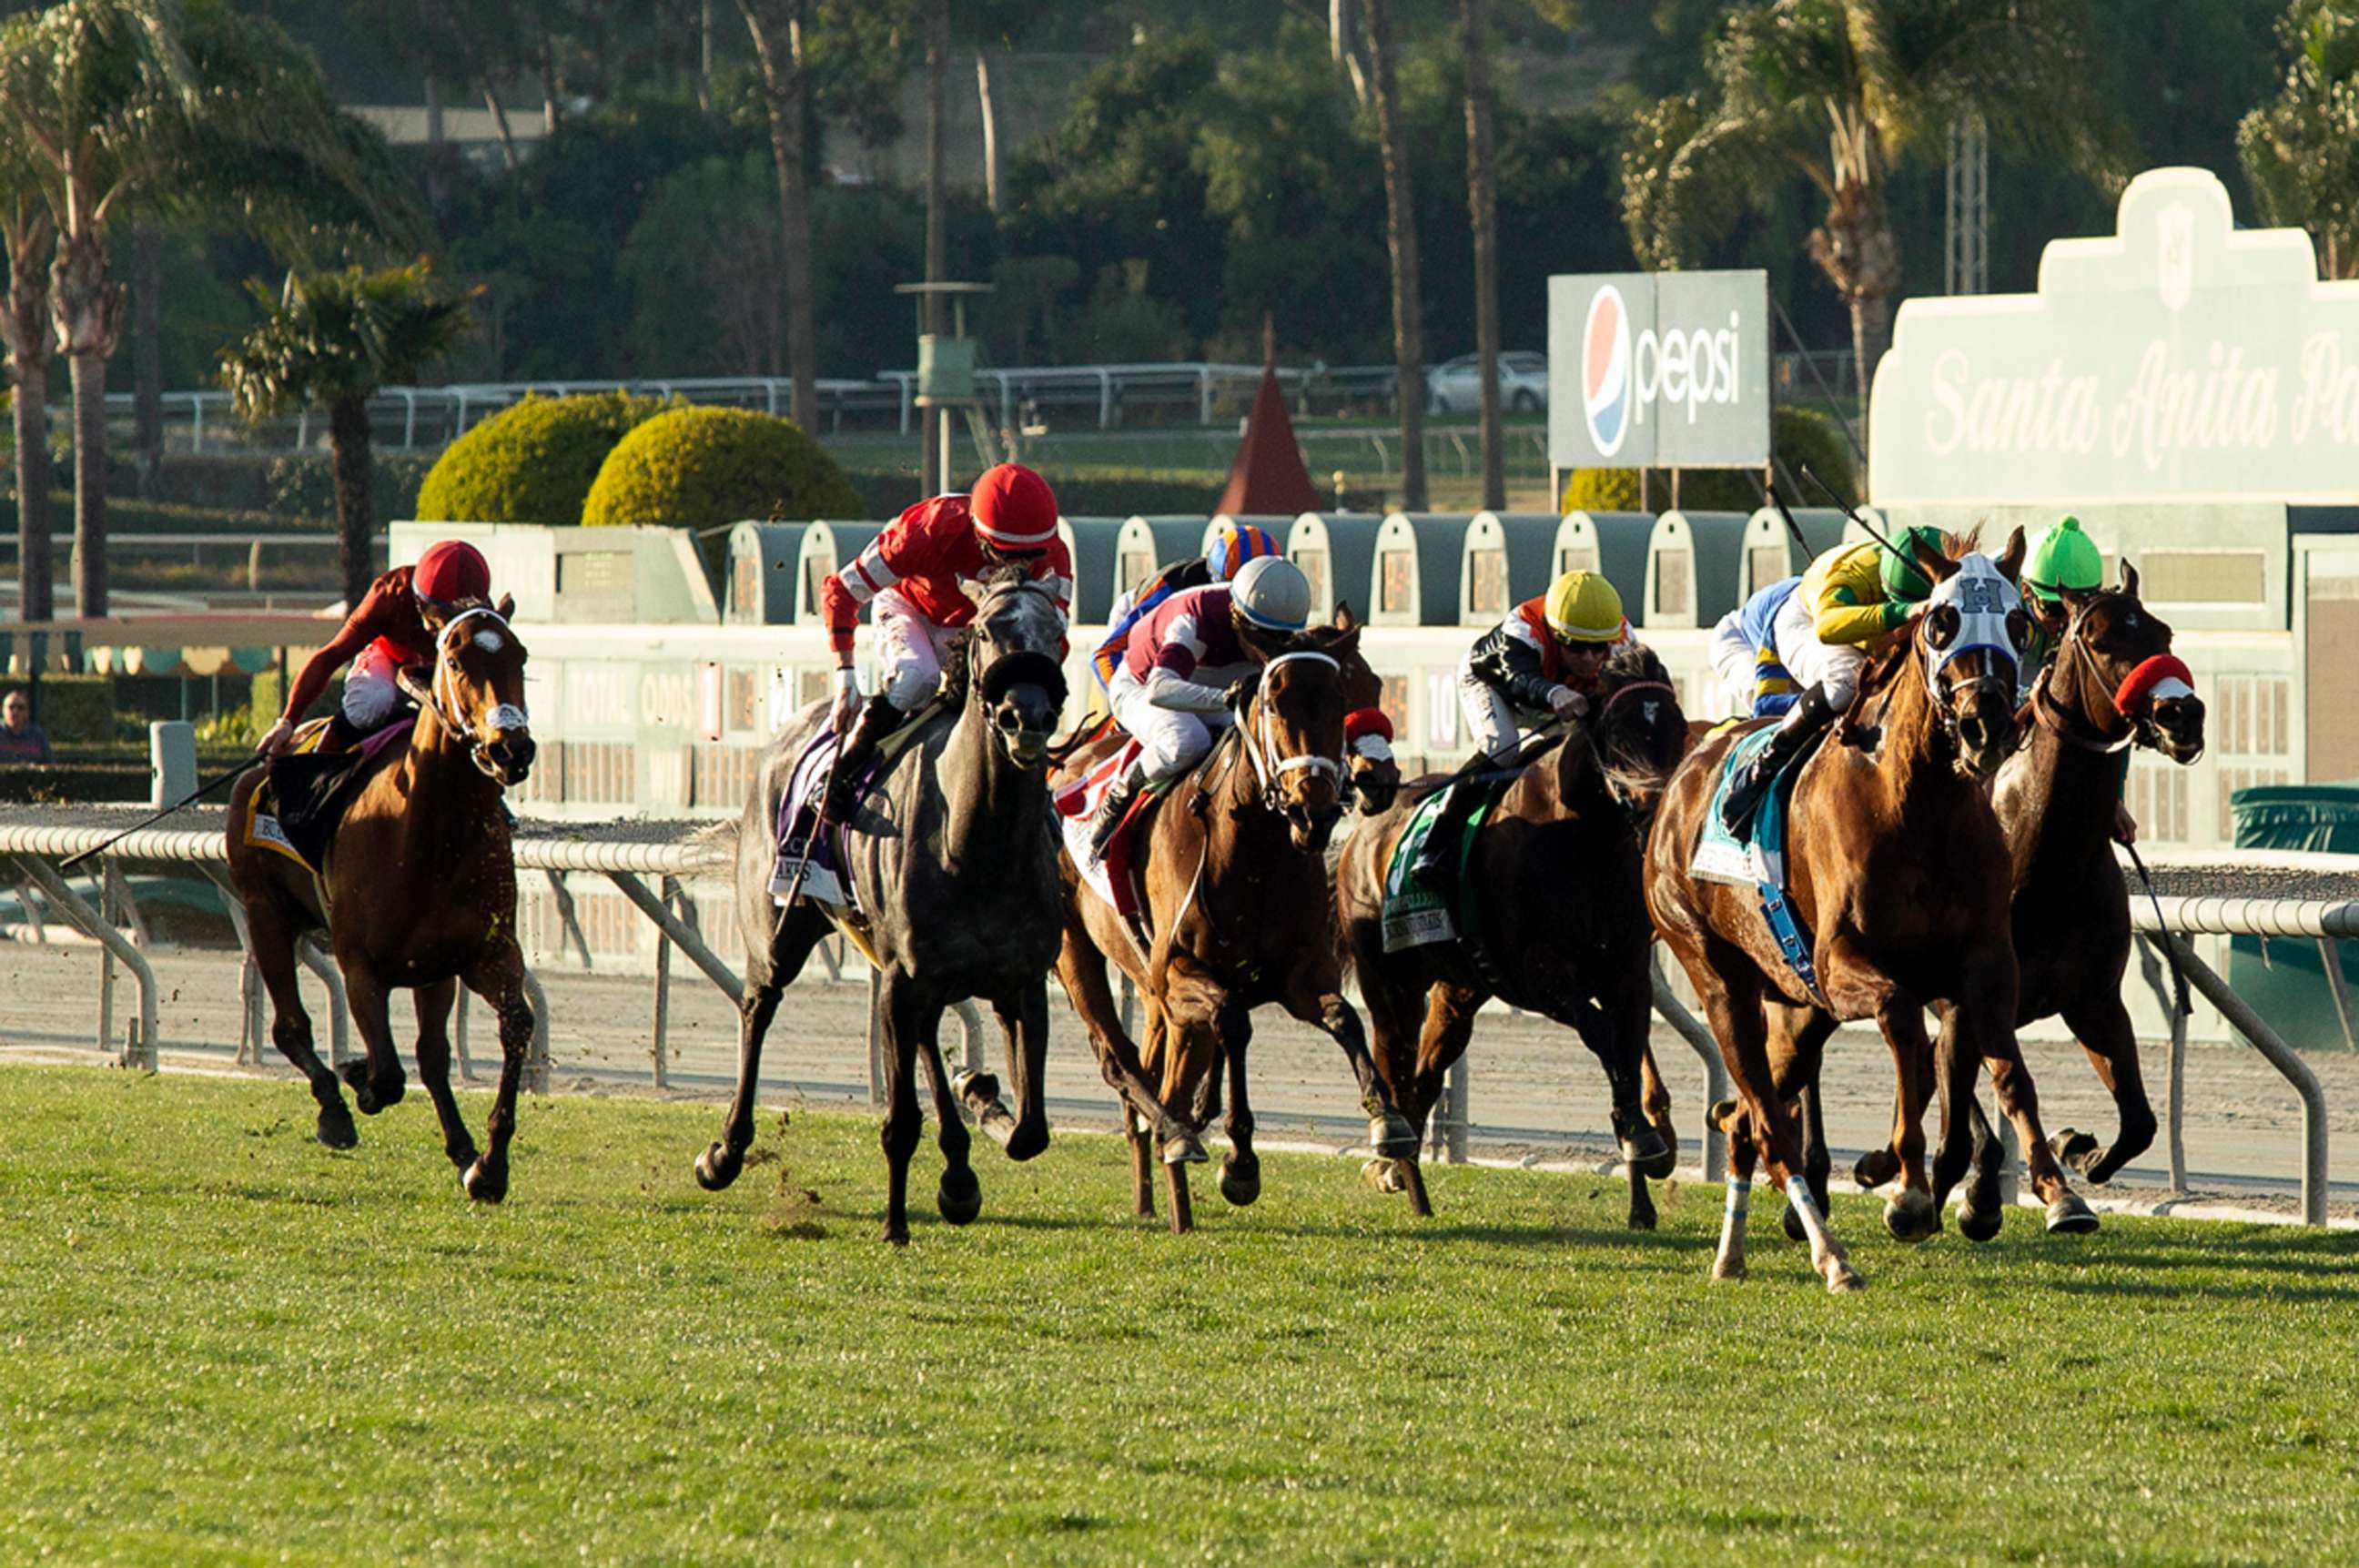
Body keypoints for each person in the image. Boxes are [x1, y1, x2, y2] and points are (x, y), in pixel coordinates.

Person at [818, 462, 1073, 819]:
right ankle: (841, 776)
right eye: (1005, 553)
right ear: (979, 534)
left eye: (1030, 557)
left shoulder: (1053, 555)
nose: (1019, 565)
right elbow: (842, 591)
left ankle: (1038, 804)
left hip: (978, 630)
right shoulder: (927, 529)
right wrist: (845, 675)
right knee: (917, 678)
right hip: (912, 611)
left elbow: (1051, 643)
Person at [1717, 525, 1947, 833]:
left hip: (1856, 612)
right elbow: (1827, 627)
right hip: (1805, 619)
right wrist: (1903, 611)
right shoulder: (1853, 572)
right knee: (1845, 685)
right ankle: (1763, 768)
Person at [1410, 570, 1631, 885]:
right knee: (1501, 746)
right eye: (1577, 647)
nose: (1590, 658)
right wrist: (1554, 692)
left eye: (1599, 649)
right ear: (1555, 634)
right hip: (1494, 683)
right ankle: (1437, 843)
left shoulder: (1624, 639)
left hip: (1555, 696)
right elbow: (1517, 677)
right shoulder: (1524, 629)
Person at [1088, 555, 1311, 855]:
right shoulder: (1194, 618)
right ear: (1236, 616)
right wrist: (1222, 699)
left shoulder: (1266, 613)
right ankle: (1120, 795)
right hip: (1142, 685)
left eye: (1281, 640)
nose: (1267, 651)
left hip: (1212, 684)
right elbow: (1160, 690)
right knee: (1188, 740)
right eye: (1262, 637)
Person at [259, 540, 492, 756]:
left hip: (443, 668)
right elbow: (331, 656)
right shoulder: (389, 595)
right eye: (443, 616)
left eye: (459, 618)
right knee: (371, 703)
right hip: (389, 657)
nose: (447, 628)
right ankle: (319, 768)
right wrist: (288, 721)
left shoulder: (483, 618)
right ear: (420, 601)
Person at [2018, 513, 2139, 845]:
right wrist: (2029, 697)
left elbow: (2114, 713)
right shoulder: (2001, 608)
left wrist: (2110, 798)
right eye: (2056, 611)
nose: (2066, 623)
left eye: (2077, 610)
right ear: (2025, 590)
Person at [1090, 521, 1281, 691]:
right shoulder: (1171, 589)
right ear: (1215, 581)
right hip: (1146, 627)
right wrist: (1122, 702)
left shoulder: (1281, 592)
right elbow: (1106, 653)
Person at [1708, 576, 1804, 720]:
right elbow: (1765, 705)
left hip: (1771, 630)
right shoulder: (1789, 615)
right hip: (1737, 639)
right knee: (1775, 712)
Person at [0, 689, 54, 764]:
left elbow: (49, 763)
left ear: (27, 712)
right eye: (11, 707)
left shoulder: (37, 736)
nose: (15, 712)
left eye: (20, 708)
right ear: (3, 710)